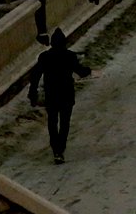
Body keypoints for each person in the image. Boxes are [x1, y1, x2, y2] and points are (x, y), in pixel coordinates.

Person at [28, 29, 91, 163]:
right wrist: (88, 70)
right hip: (66, 92)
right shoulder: (69, 56)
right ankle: (60, 149)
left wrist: (32, 91)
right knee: (64, 122)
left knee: (52, 121)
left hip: (51, 93)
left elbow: (35, 75)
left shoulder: (44, 57)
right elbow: (80, 71)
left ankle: (55, 148)